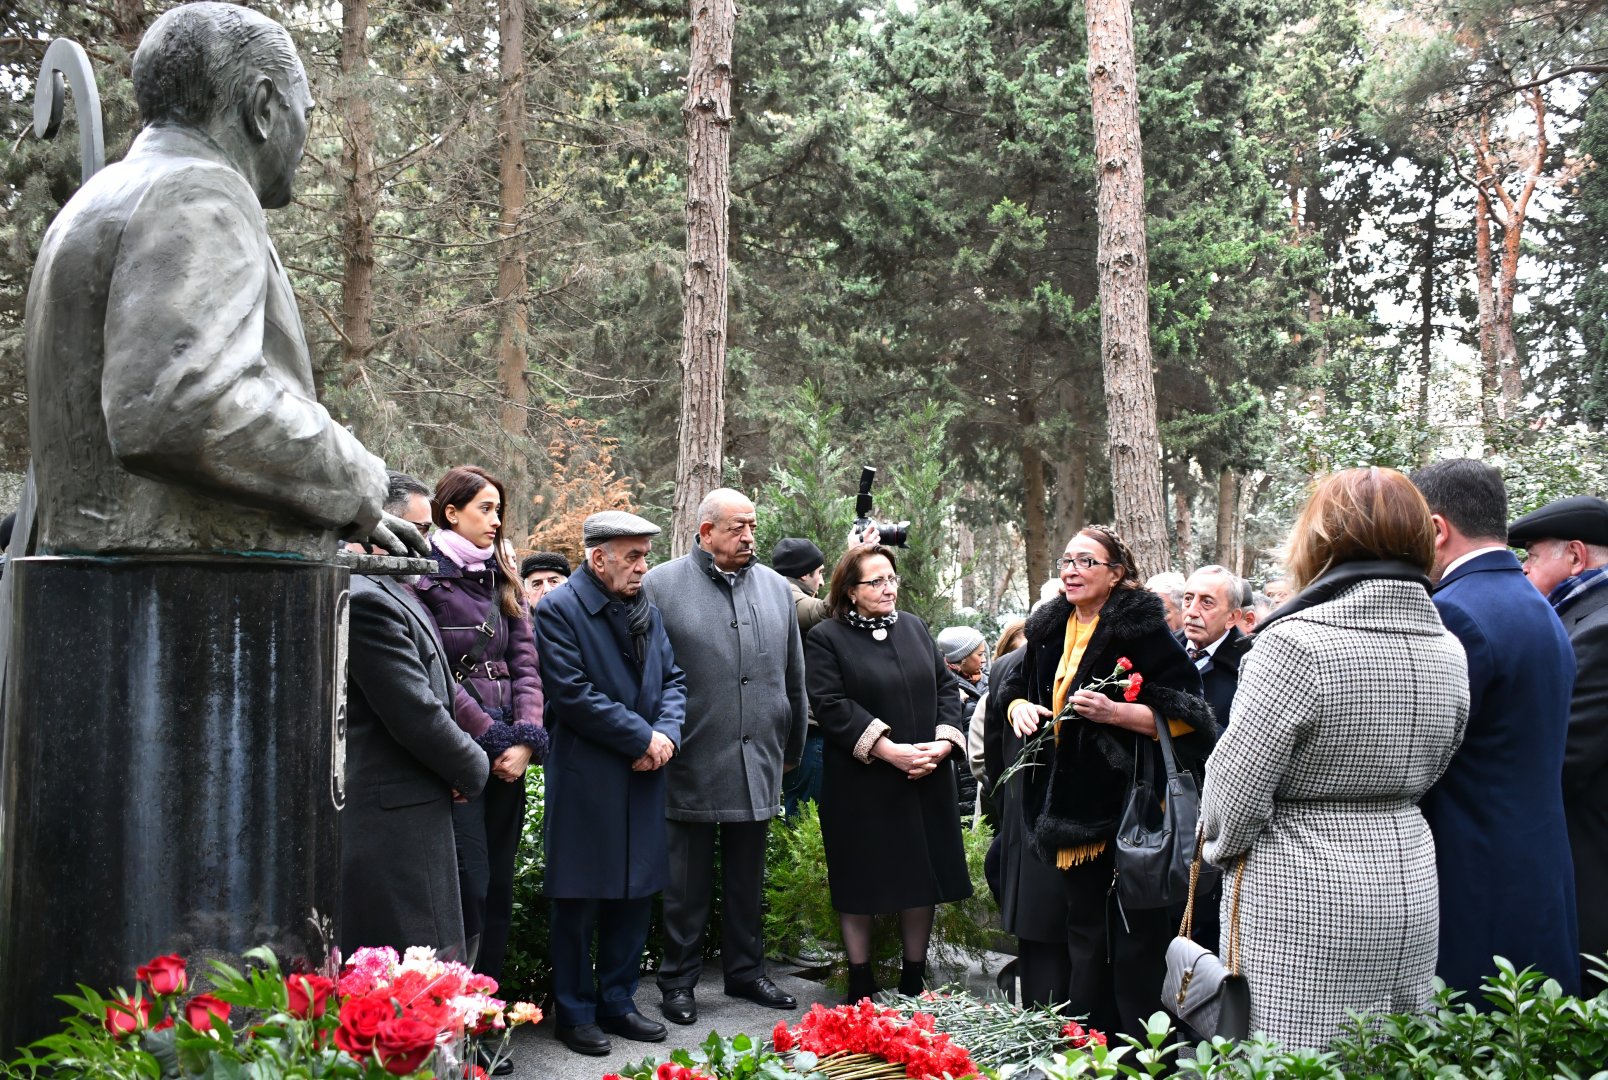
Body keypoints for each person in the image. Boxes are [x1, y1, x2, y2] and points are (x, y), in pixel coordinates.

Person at [23, 2, 401, 560]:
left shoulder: (96, 200)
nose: (303, 138)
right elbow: (182, 406)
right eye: (306, 114)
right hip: (194, 592)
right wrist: (358, 478)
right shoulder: (200, 192)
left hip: (115, 579)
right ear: (264, 107)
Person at [1200, 467, 1469, 1049]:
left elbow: (1231, 795)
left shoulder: (1294, 643)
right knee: (1391, 1055)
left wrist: (1219, 849)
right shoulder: (1448, 646)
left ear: (1320, 540)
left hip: (1302, 894)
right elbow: (1441, 762)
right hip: (1411, 877)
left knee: (1289, 1053)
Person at [1000, 525, 1217, 1036]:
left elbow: (1192, 717)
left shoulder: (1139, 625)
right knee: (1084, 933)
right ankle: (1088, 1044)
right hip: (1063, 809)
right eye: (1067, 560)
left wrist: (1117, 714)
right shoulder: (1050, 621)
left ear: (1116, 573)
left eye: (1086, 561)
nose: (1071, 570)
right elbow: (1013, 682)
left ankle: (1141, 1053)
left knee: (1133, 939)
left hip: (1125, 811)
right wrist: (1018, 708)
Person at [1408, 460, 1579, 996]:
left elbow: (1420, 757)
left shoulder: (1455, 614)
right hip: (1536, 866)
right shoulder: (1535, 603)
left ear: (1436, 530)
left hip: (1473, 878)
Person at [642, 490, 808, 1024]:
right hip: (688, 757)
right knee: (684, 885)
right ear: (705, 530)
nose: (749, 537)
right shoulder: (661, 584)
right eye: (737, 528)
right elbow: (644, 675)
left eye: (753, 526)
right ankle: (679, 981)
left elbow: (793, 676)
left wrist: (791, 747)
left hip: (758, 755)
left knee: (747, 878)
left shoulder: (776, 589)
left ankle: (745, 972)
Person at [534, 511, 686, 1056]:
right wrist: (642, 739)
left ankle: (618, 1002)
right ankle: (573, 1013)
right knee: (578, 899)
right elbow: (571, 693)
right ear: (599, 558)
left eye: (646, 554)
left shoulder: (647, 608)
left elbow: (674, 678)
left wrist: (665, 734)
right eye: (634, 556)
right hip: (588, 777)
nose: (644, 566)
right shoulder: (557, 609)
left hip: (645, 770)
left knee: (636, 892)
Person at [805, 543, 971, 1002]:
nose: (887, 588)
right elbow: (831, 705)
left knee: (921, 877)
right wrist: (888, 750)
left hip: (924, 776)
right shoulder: (826, 638)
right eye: (875, 582)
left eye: (891, 579)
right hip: (863, 784)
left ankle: (914, 980)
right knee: (861, 877)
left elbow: (945, 688)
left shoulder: (915, 628)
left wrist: (942, 745)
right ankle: (861, 982)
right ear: (850, 591)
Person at [340, 472, 489, 959]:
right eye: (418, 529)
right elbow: (417, 714)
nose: (428, 544)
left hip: (419, 800)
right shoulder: (366, 601)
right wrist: (473, 767)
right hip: (393, 819)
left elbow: (439, 689)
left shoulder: (395, 591)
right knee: (404, 966)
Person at [411, 467, 547, 998]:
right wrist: (492, 739)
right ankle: (454, 1013)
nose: (495, 521)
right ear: (451, 512)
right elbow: (437, 675)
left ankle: (488, 1014)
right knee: (465, 887)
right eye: (484, 509)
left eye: (498, 511)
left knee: (497, 888)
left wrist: (525, 738)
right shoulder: (423, 577)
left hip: (510, 759)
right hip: (458, 758)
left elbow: (526, 664)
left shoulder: (503, 577)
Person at [1507, 493, 1608, 993]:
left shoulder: (1598, 630)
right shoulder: (1577, 619)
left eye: (1531, 555)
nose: (1524, 568)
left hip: (1589, 857)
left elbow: (1560, 758)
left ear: (1574, 556)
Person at [980, 628, 1069, 1006]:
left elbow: (995, 765)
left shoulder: (1003, 667)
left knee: (1040, 966)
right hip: (1062, 832)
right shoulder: (1016, 668)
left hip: (1024, 828)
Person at [773, 537, 829, 818]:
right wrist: (854, 561)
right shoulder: (785, 594)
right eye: (819, 573)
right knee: (806, 817)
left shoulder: (775, 592)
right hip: (807, 729)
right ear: (805, 574)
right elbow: (819, 613)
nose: (821, 582)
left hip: (804, 727)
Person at [1180, 566, 1253, 729]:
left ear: (1232, 617)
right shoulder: (1164, 646)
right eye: (1188, 599)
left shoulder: (1250, 662)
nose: (1192, 612)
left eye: (1207, 602)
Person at [937, 625, 988, 820]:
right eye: (979, 655)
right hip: (961, 772)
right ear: (961, 659)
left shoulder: (991, 680)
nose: (984, 660)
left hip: (988, 766)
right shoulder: (943, 686)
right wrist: (953, 701)